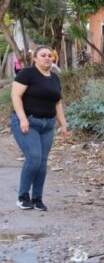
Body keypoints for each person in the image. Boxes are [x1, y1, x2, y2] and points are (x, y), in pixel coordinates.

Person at [10, 45, 69, 211]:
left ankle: (37, 198)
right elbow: (16, 96)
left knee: (42, 162)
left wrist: (63, 124)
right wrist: (22, 119)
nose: (47, 58)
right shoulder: (27, 74)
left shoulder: (55, 78)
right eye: (43, 55)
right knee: (34, 158)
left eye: (50, 55)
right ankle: (22, 196)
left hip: (48, 125)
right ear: (35, 58)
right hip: (28, 122)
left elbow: (57, 102)